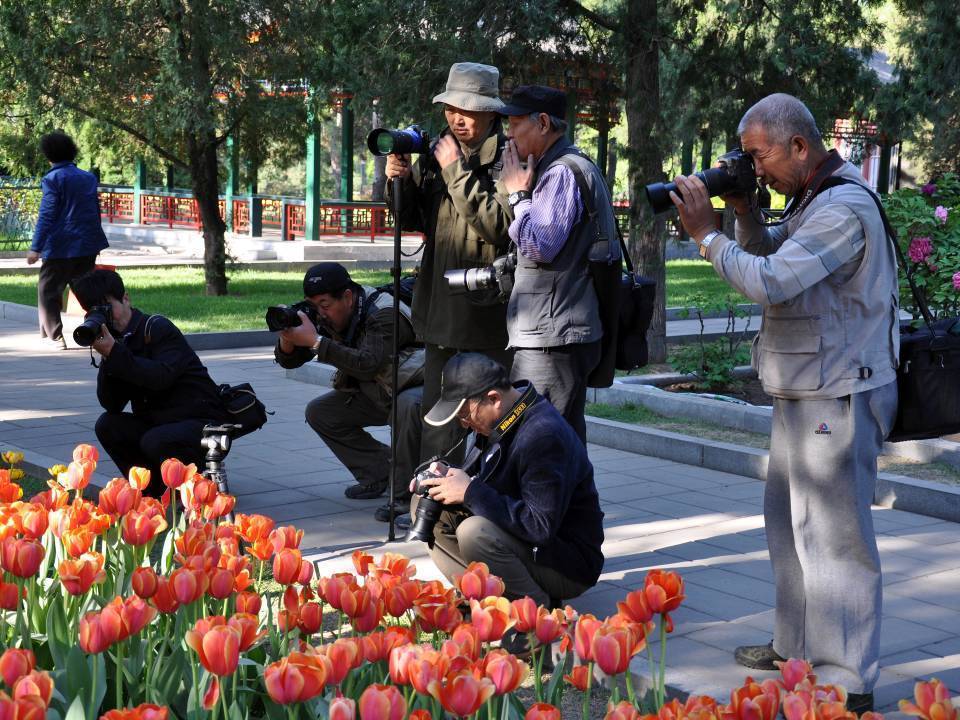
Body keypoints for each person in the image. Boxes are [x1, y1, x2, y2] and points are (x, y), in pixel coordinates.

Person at [669, 93, 899, 713]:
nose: (753, 167)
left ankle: (848, 679)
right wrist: (744, 213)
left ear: (800, 147)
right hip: (804, 383)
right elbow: (773, 257)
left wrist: (705, 236)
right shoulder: (811, 198)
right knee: (789, 529)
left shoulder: (843, 205)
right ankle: (796, 647)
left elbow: (768, 281)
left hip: (841, 390)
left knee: (835, 538)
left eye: (757, 155)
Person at [386, 62, 514, 466]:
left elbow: (500, 226)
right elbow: (410, 220)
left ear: (492, 112)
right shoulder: (438, 152)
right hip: (440, 312)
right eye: (450, 108)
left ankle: (495, 503)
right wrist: (398, 181)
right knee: (439, 422)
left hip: (489, 317)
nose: (457, 118)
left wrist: (456, 171)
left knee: (496, 420)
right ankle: (431, 509)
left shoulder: (510, 159)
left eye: (468, 109)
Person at [413, 352, 604, 613]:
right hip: (530, 545)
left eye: (464, 415)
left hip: (566, 562)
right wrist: (449, 477)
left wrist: (470, 491)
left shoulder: (543, 435)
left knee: (474, 532)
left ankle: (533, 612)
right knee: (427, 503)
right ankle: (480, 598)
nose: (464, 424)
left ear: (493, 399)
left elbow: (540, 527)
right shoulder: (500, 420)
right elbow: (490, 481)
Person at [498, 85, 617, 443]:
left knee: (540, 441)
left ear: (544, 123)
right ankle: (576, 501)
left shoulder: (561, 172)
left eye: (515, 123)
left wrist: (517, 194)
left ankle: (551, 501)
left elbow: (539, 244)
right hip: (559, 332)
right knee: (563, 441)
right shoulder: (566, 165)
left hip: (552, 340)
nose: (508, 133)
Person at [273, 263, 424, 520]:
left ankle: (404, 496)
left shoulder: (385, 313)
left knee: (407, 406)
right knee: (321, 412)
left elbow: (368, 364)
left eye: (324, 304)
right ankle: (379, 474)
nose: (320, 313)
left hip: (414, 387)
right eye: (314, 304)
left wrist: (317, 342)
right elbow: (289, 361)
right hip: (377, 390)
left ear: (347, 297)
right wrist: (288, 339)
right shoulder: (327, 313)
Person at [72, 269, 228, 498]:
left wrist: (115, 353)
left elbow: (160, 378)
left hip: (200, 422)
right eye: (93, 312)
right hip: (159, 423)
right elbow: (111, 404)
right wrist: (107, 358)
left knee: (155, 440)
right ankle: (152, 492)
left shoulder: (156, 328)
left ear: (126, 298)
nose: (106, 317)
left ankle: (194, 483)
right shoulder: (116, 342)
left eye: (107, 308)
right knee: (108, 424)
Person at [28, 131, 109, 349]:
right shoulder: (88, 178)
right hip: (86, 245)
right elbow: (95, 211)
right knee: (87, 291)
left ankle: (56, 337)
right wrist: (95, 240)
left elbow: (47, 214)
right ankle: (101, 330)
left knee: (48, 290)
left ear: (49, 155)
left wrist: (36, 247)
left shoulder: (53, 179)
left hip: (60, 247)